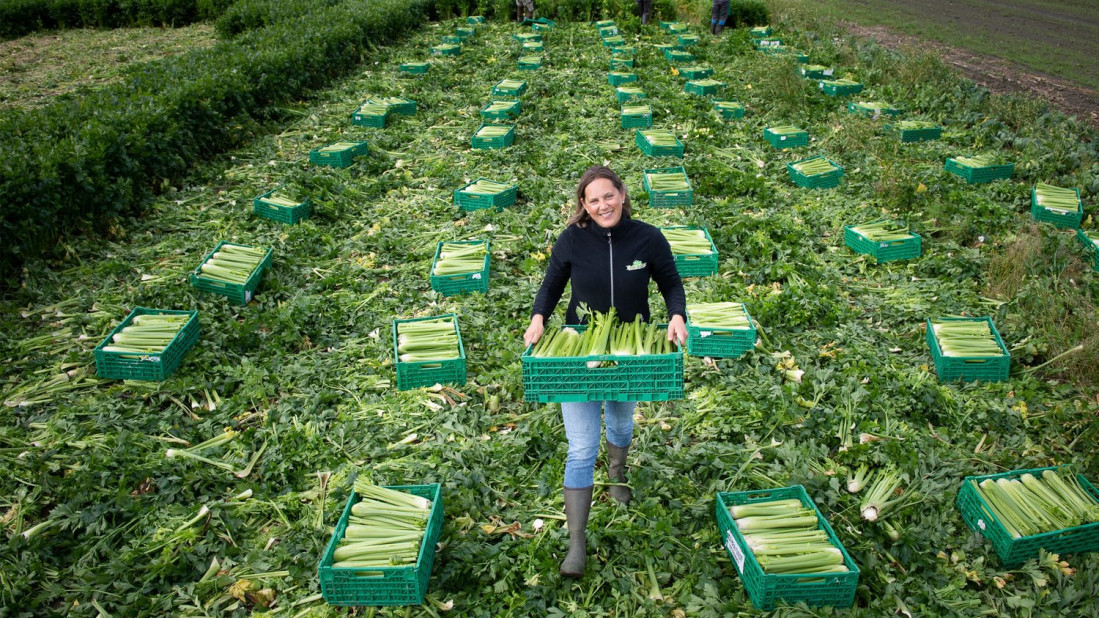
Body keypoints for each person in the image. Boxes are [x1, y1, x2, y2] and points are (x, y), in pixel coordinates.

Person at [523, 165, 688, 578]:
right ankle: (576, 543)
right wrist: (539, 316)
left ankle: (617, 471)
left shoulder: (647, 237)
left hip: (629, 350)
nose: (602, 205)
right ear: (584, 205)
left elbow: (670, 282)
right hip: (581, 349)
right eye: (593, 200)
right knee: (581, 446)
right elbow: (552, 284)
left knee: (619, 421)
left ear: (622, 194)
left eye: (608, 196)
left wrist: (677, 315)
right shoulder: (572, 239)